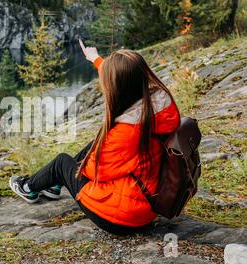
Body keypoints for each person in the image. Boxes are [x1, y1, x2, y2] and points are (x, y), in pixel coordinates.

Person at [9, 41, 181, 236]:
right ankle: (54, 184)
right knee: (93, 146)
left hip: (121, 216)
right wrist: (96, 59)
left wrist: (74, 167)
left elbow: (93, 171)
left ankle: (28, 187)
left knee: (61, 162)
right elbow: (123, 78)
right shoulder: (159, 107)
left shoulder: (127, 131)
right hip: (145, 198)